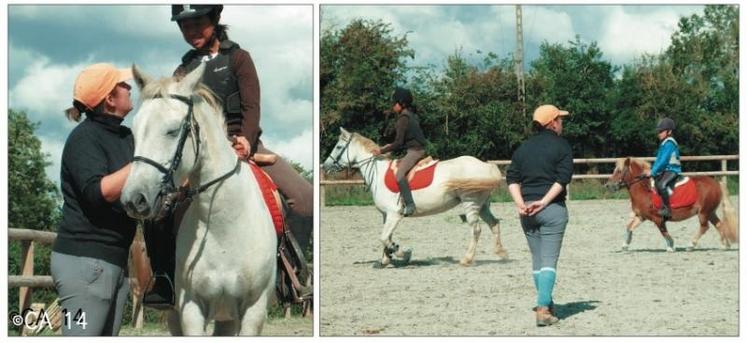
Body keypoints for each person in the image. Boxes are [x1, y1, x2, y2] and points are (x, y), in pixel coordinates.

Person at [142, 4, 313, 306]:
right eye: (184, 26)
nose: (190, 31)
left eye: (197, 23)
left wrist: (246, 139)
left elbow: (251, 106)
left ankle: (290, 275)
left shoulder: (238, 58)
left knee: (305, 197)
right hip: (198, 152)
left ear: (215, 20)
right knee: (159, 210)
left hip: (243, 143)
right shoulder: (183, 69)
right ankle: (165, 280)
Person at [50, 63, 135, 335]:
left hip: (115, 260)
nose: (129, 87)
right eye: (122, 84)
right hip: (84, 261)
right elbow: (99, 192)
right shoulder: (84, 138)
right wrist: (143, 162)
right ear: (109, 100)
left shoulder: (125, 136)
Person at [506, 104, 573, 327]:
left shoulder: (522, 148)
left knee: (537, 260)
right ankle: (544, 309)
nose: (562, 123)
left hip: (527, 212)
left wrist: (520, 204)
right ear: (552, 122)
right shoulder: (562, 146)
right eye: (560, 120)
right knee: (549, 260)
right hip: (551, 209)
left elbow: (512, 178)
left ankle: (546, 301)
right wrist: (544, 202)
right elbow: (563, 179)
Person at [372, 87, 428, 216]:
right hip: (413, 149)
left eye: (395, 103)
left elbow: (398, 143)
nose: (393, 105)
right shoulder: (410, 115)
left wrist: (381, 150)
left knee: (399, 174)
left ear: (401, 103)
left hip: (416, 151)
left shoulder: (403, 118)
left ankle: (410, 204)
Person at [647, 117, 681, 220]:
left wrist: (653, 172)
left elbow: (663, 161)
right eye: (658, 131)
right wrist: (652, 170)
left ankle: (667, 209)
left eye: (661, 131)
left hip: (673, 170)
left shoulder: (670, 143)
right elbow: (658, 160)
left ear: (669, 131)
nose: (659, 133)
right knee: (656, 183)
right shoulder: (664, 144)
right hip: (666, 170)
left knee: (661, 184)